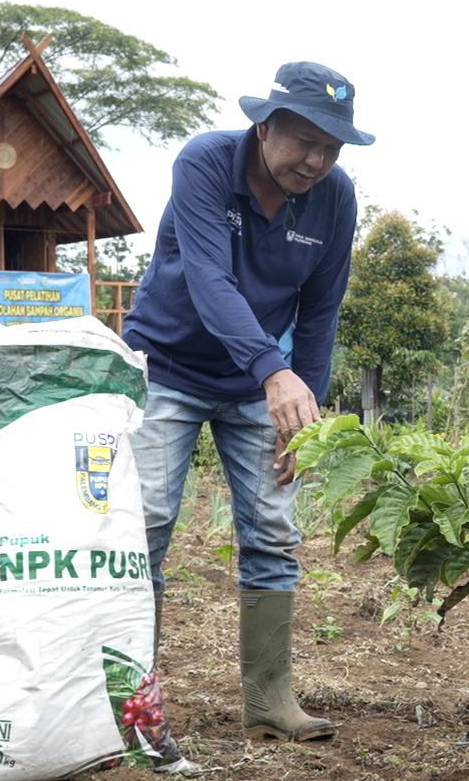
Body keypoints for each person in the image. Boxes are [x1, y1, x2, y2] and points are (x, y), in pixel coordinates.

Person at [121, 61, 373, 745]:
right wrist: (274, 370)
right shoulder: (205, 163)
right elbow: (208, 279)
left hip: (258, 383)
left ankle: (269, 699)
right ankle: (127, 702)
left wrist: (305, 410)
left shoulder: (335, 199)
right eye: (304, 142)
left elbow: (319, 314)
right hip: (165, 367)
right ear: (264, 128)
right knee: (142, 525)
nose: (317, 161)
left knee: (272, 530)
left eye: (332, 148)